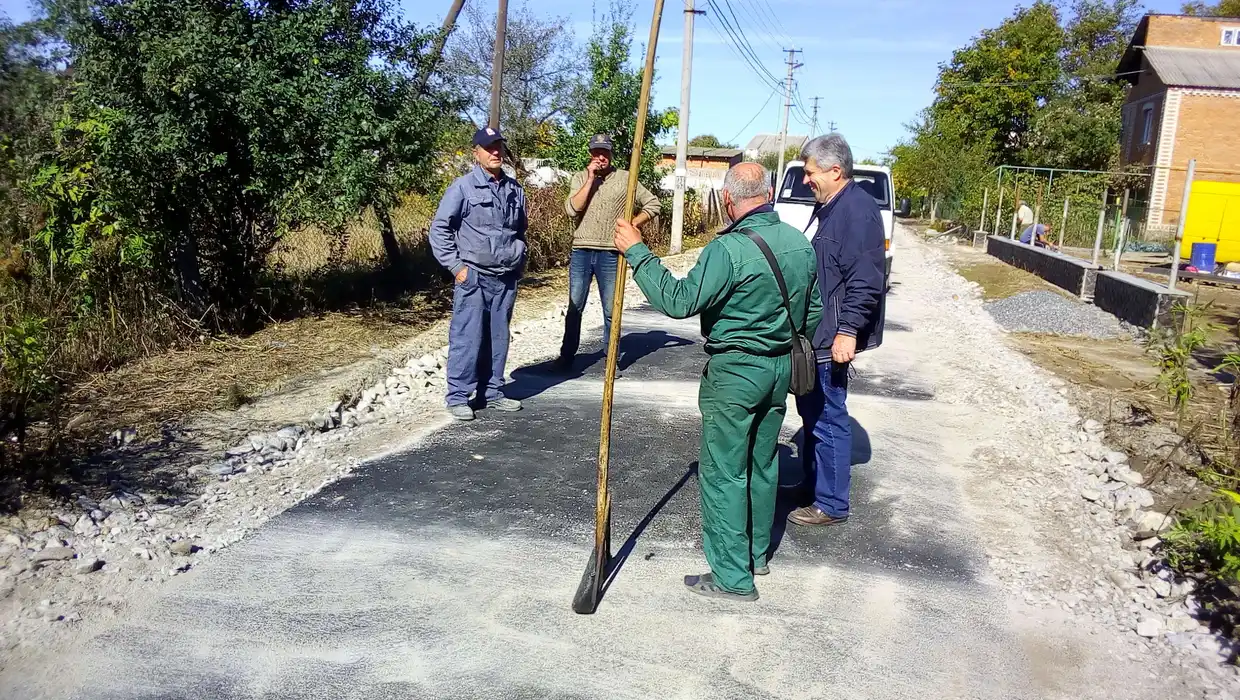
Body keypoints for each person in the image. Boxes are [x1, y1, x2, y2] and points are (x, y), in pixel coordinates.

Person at [612, 162, 821, 602]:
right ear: (766, 193)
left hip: (736, 373)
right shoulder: (799, 242)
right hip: (779, 369)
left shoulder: (727, 250)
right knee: (763, 464)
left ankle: (731, 577)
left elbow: (678, 301)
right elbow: (814, 312)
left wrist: (638, 253)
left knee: (725, 472)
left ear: (729, 200)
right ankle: (755, 555)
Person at [789, 133, 886, 527]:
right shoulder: (832, 205)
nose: (806, 179)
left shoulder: (857, 211)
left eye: (810, 172)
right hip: (821, 334)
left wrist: (848, 330)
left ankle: (831, 504)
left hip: (833, 338)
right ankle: (813, 487)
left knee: (828, 416)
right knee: (813, 415)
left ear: (835, 169)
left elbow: (866, 278)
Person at [429, 127, 528, 421]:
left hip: (506, 278)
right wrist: (457, 269)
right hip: (474, 278)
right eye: (488, 147)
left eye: (498, 146)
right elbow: (439, 230)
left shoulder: (514, 190)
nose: (495, 152)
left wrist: (519, 261)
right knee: (467, 337)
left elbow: (520, 230)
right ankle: (458, 395)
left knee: (498, 337)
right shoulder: (462, 188)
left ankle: (493, 391)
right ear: (476, 153)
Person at [555, 134, 661, 370]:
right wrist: (591, 178)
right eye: (596, 152)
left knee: (611, 310)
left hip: (611, 253)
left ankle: (610, 359)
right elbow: (572, 210)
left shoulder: (626, 179)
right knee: (575, 308)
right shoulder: (581, 177)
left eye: (605, 152)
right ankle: (566, 358)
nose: (600, 157)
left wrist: (633, 224)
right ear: (590, 154)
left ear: (611, 154)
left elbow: (653, 203)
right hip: (581, 251)